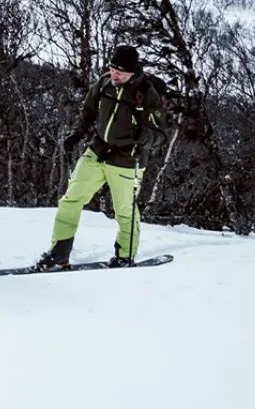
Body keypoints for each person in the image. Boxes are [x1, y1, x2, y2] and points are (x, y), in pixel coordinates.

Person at [34, 44, 168, 270]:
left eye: (119, 72)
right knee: (70, 201)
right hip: (98, 151)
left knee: (125, 212)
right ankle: (59, 254)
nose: (114, 74)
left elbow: (160, 136)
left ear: (132, 71)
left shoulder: (146, 94)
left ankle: (124, 256)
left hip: (128, 160)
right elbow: (88, 112)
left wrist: (144, 136)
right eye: (112, 68)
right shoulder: (105, 83)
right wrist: (76, 134)